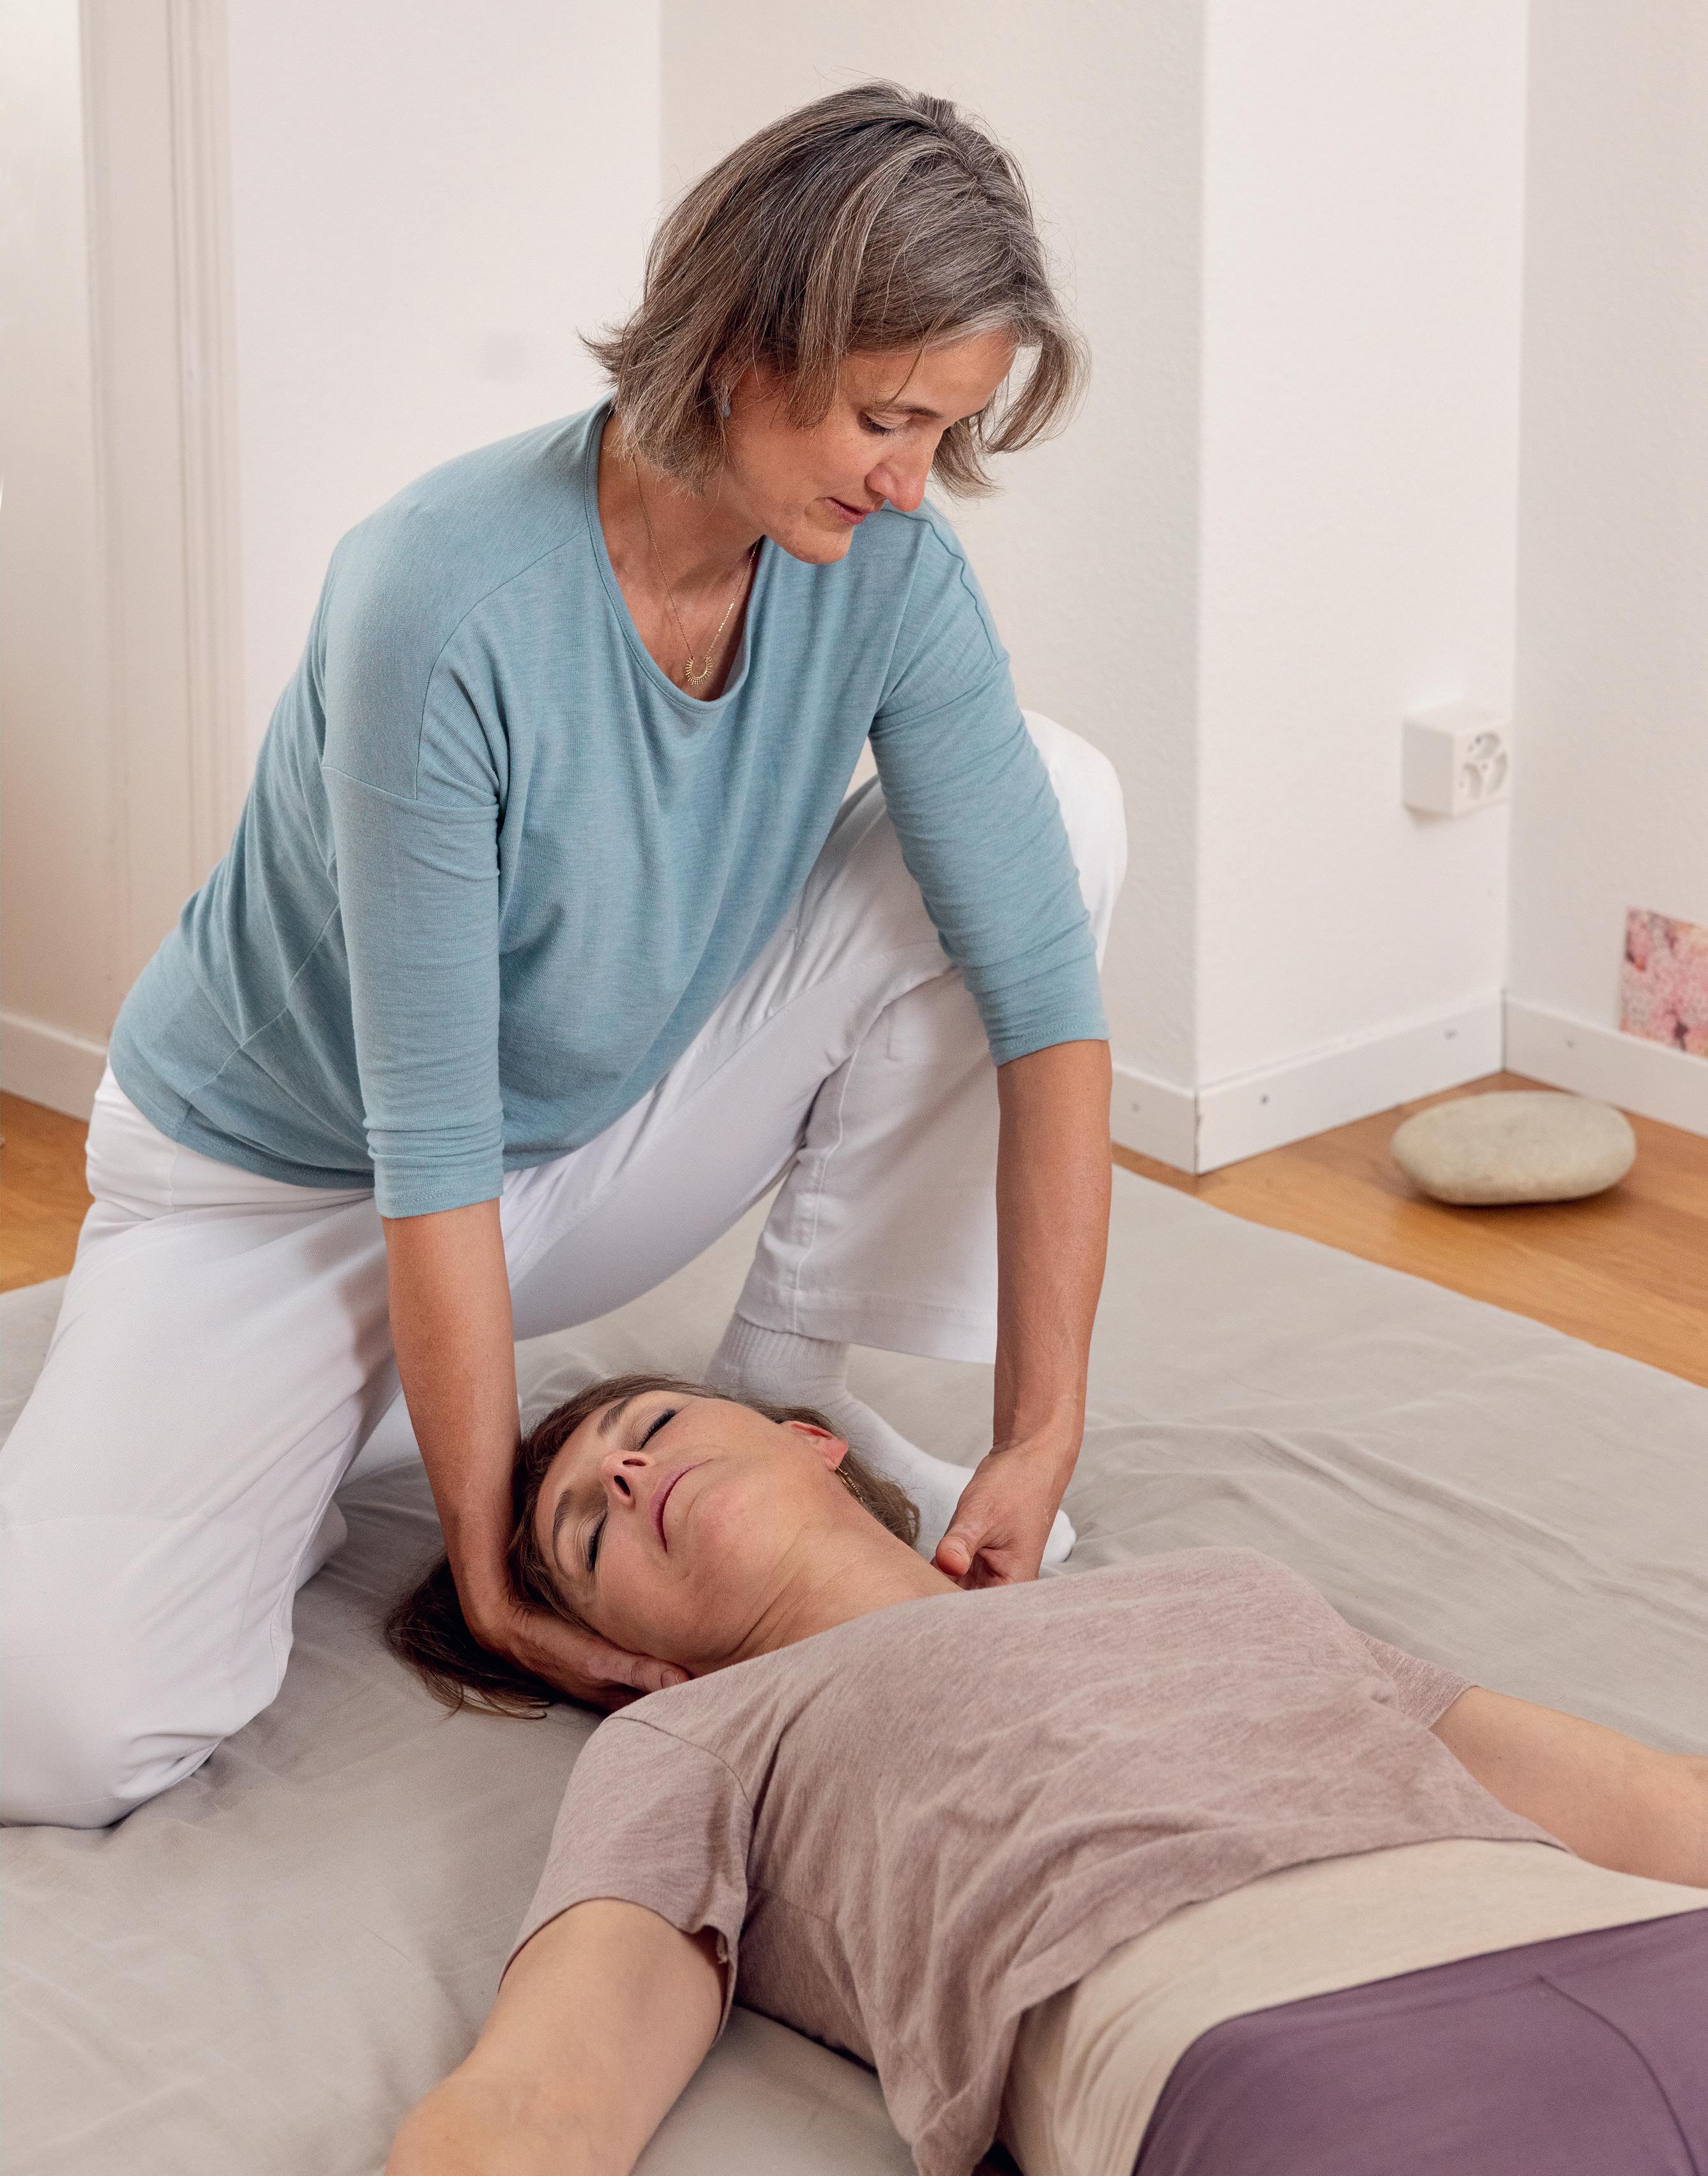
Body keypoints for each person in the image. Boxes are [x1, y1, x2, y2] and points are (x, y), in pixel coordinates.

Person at [0, 84, 1130, 1828]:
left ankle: (776, 1396)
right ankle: (316, 1403)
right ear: (745, 345)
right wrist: (489, 1569)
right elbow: (429, 1144)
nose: (911, 481)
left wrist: (1038, 1429)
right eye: (885, 419)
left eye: (941, 433)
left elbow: (1047, 1010)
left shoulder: (887, 565)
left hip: (581, 1142)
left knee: (1057, 804)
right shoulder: (440, 599)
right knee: (53, 1728)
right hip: (279, 1189)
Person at [384, 1376, 1708, 2176]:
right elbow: (544, 2100)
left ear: (811, 1438)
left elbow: (1652, 1805)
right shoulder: (696, 1738)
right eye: (587, 1532)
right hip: (1281, 2049)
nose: (626, 1472)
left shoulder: (1224, 1584)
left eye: (654, 1425)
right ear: (626, 1661)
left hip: (1645, 1953)